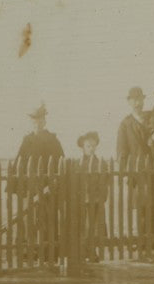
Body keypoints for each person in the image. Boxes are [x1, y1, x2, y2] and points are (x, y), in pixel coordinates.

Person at [116, 86, 154, 258]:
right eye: (134, 100)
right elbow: (122, 150)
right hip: (137, 172)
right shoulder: (125, 124)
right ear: (129, 102)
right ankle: (143, 243)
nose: (138, 103)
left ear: (144, 100)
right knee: (142, 208)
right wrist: (125, 172)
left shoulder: (152, 118)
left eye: (140, 99)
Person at [13, 104, 64, 265]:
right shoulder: (27, 140)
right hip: (31, 187)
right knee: (30, 219)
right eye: (34, 119)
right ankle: (30, 252)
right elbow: (19, 164)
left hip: (48, 187)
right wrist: (21, 187)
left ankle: (50, 252)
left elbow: (60, 163)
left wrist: (53, 184)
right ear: (31, 121)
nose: (37, 122)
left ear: (45, 120)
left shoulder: (53, 140)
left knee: (48, 219)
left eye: (40, 118)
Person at [74, 130, 109, 262]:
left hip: (96, 201)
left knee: (94, 227)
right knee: (83, 226)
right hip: (82, 200)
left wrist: (102, 196)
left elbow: (106, 182)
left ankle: (93, 252)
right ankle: (82, 252)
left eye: (93, 146)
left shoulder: (101, 163)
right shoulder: (77, 163)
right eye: (88, 146)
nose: (91, 148)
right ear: (83, 147)